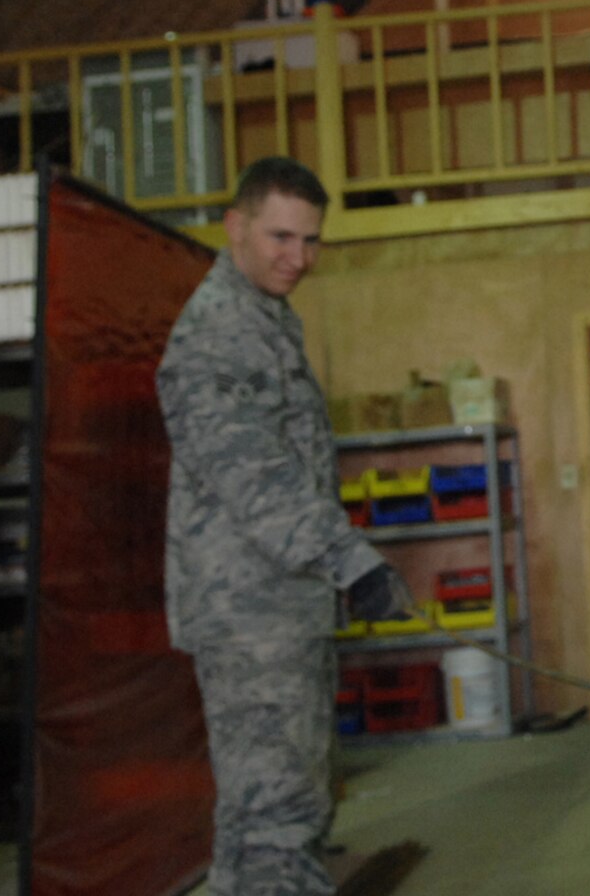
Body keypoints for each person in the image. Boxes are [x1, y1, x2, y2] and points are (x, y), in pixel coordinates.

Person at [158, 157, 413, 895]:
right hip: (251, 616)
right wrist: (352, 561)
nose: (296, 258)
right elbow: (255, 476)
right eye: (279, 236)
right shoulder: (217, 334)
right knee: (279, 816)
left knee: (255, 818)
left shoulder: (263, 317)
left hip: (279, 605)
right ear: (234, 226)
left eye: (310, 241)